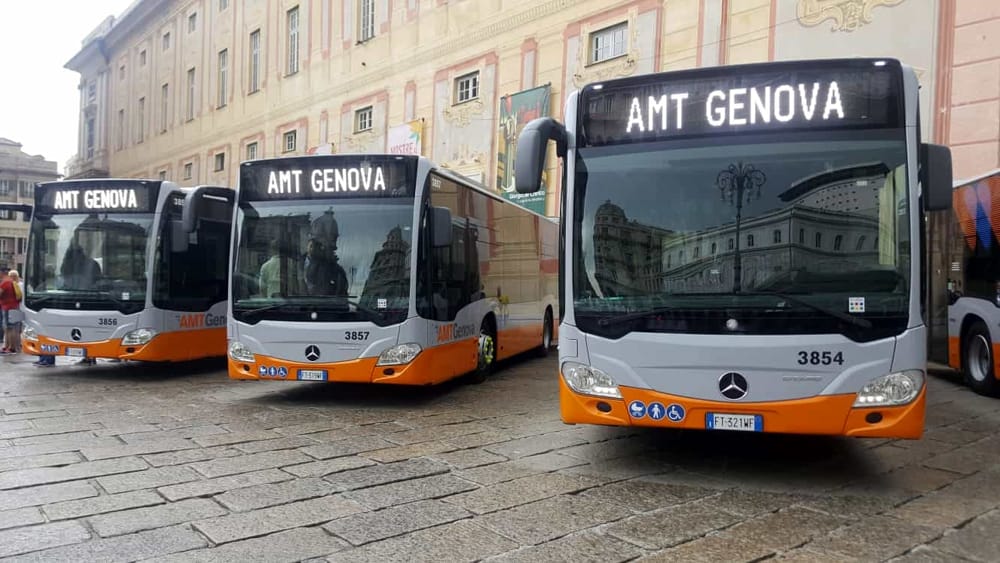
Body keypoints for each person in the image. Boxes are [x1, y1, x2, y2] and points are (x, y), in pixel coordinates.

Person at [0, 267, 17, 354]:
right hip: (11, 307)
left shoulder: (5, 282)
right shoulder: (10, 281)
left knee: (9, 328)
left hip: (7, 307)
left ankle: (11, 348)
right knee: (8, 328)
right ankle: (7, 346)